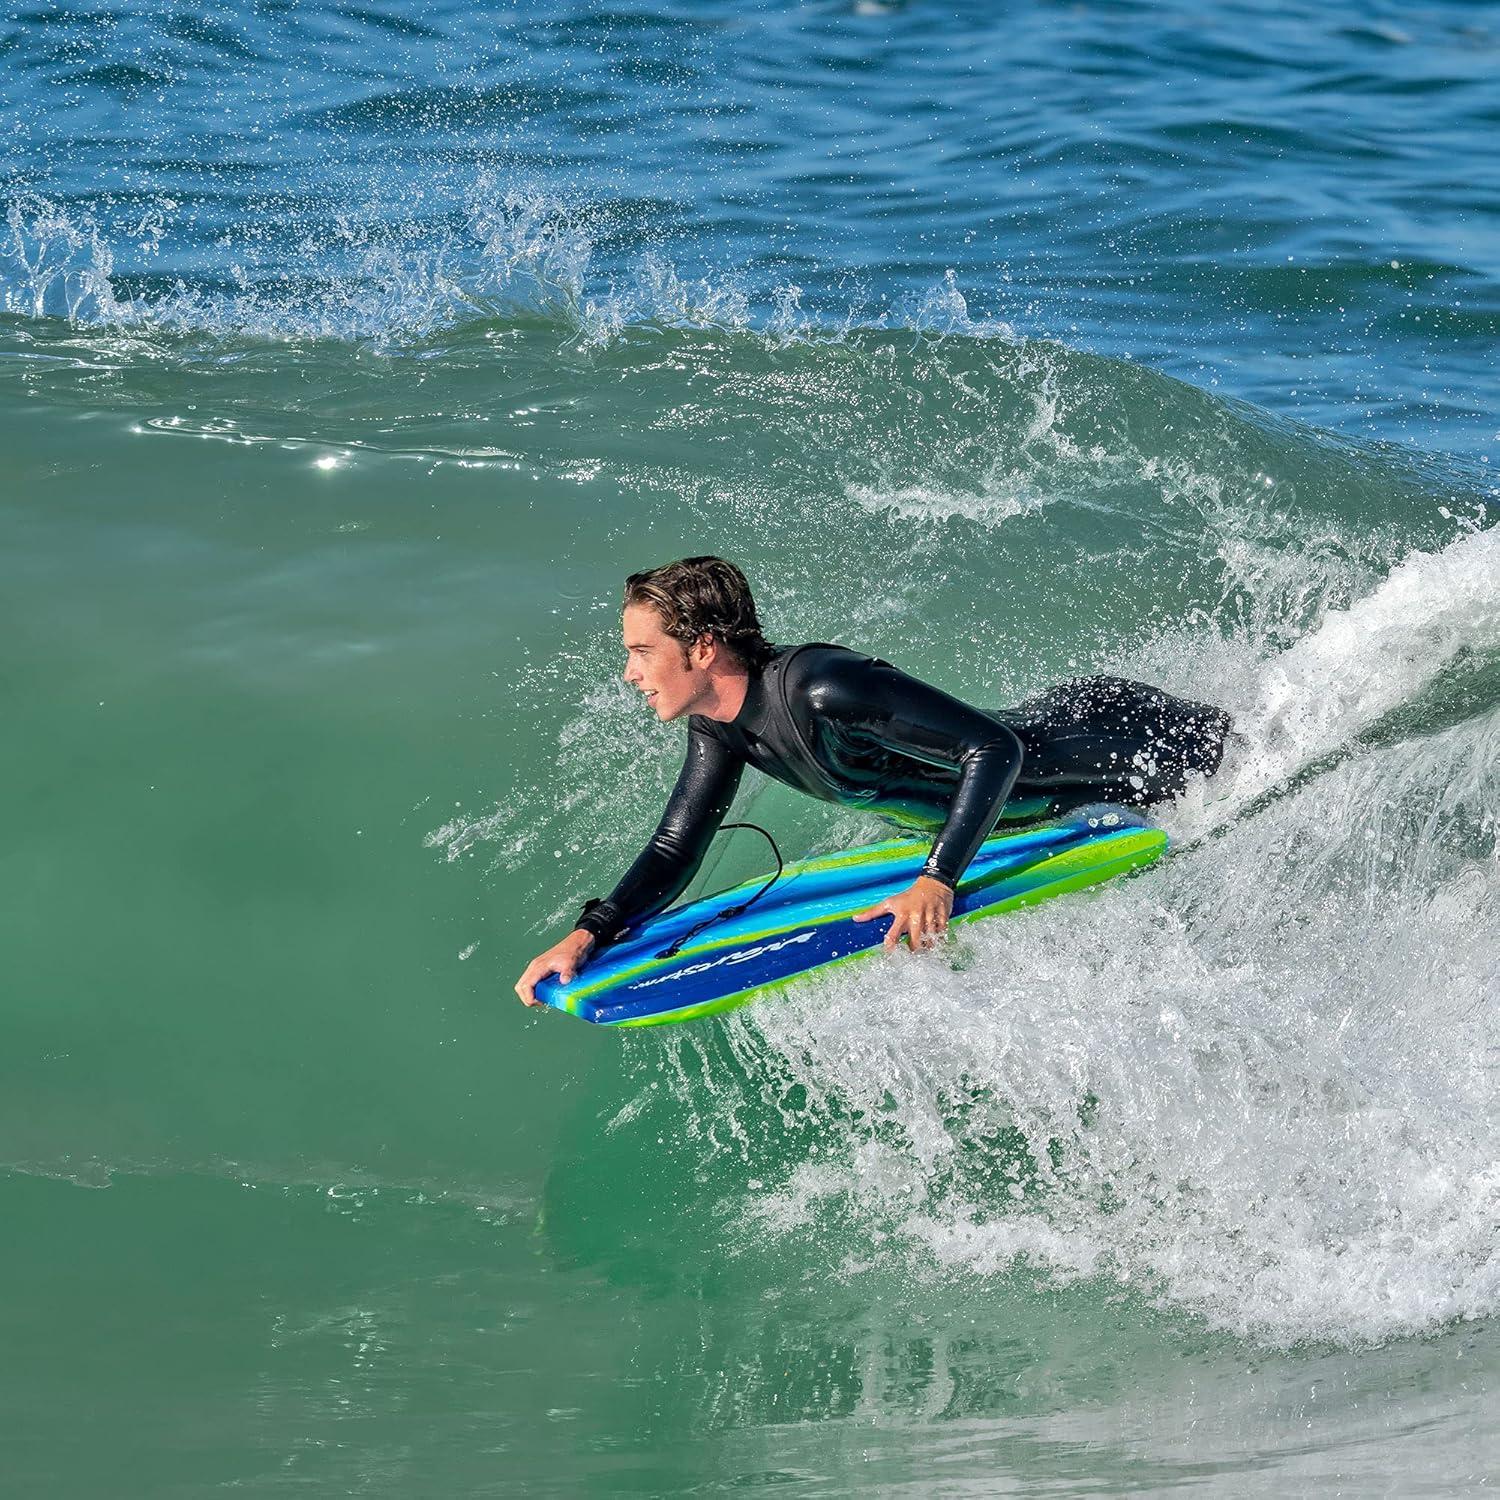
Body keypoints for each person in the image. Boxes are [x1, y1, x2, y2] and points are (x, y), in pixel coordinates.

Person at [515, 557, 1230, 1006]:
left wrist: (938, 878)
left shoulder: (823, 687)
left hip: (1118, 743)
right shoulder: (721, 725)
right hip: (1051, 800)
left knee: (1258, 753)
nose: (630, 673)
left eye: (642, 652)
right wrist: (590, 932)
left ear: (702, 649)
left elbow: (995, 748)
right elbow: (676, 848)